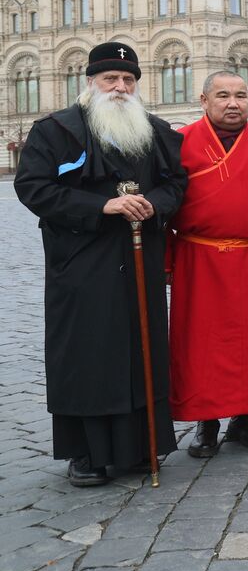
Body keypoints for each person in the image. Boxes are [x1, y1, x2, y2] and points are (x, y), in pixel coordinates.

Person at [15, 43, 188, 486]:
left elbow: (175, 184)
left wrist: (152, 202)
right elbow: (34, 188)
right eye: (111, 79)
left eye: (128, 80)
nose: (120, 87)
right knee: (88, 354)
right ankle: (86, 453)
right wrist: (104, 207)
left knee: (140, 347)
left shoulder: (153, 130)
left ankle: (139, 447)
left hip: (139, 262)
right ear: (90, 83)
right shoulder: (55, 131)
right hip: (82, 264)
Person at [169, 71, 248, 457]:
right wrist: (166, 262)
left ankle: (244, 417)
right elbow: (164, 207)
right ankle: (207, 422)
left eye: (241, 95)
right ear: (204, 101)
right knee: (200, 344)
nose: (233, 103)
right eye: (223, 95)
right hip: (198, 258)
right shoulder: (180, 143)